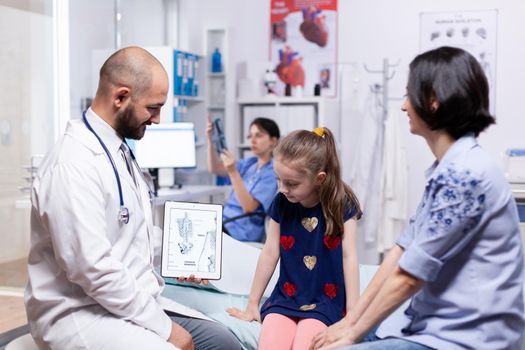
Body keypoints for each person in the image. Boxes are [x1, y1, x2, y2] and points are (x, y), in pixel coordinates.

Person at [25, 46, 240, 350]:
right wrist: (166, 329)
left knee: (223, 342)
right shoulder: (72, 165)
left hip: (126, 300)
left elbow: (132, 232)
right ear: (121, 97)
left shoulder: (118, 151)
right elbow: (93, 270)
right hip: (80, 312)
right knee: (181, 345)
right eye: (153, 108)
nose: (157, 119)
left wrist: (185, 260)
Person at [310, 46, 524, 350]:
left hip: (469, 341)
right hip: (429, 328)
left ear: (433, 102)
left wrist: (351, 336)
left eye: (409, 95)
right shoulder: (447, 169)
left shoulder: (464, 174)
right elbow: (399, 252)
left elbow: (410, 276)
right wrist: (348, 322)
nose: (403, 106)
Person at [227, 127, 363, 349]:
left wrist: (353, 314)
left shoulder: (342, 203)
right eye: (278, 180)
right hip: (286, 298)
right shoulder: (281, 202)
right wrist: (252, 303)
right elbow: (270, 252)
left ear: (319, 179)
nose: (282, 189)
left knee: (304, 344)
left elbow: (349, 257)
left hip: (325, 301)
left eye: (291, 183)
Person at [206, 117, 280, 242]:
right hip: (224, 222)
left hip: (241, 230)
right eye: (250, 136)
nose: (253, 140)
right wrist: (210, 141)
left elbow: (249, 207)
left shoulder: (273, 172)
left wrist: (233, 171)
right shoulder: (249, 164)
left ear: (273, 140)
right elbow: (215, 168)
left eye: (259, 135)